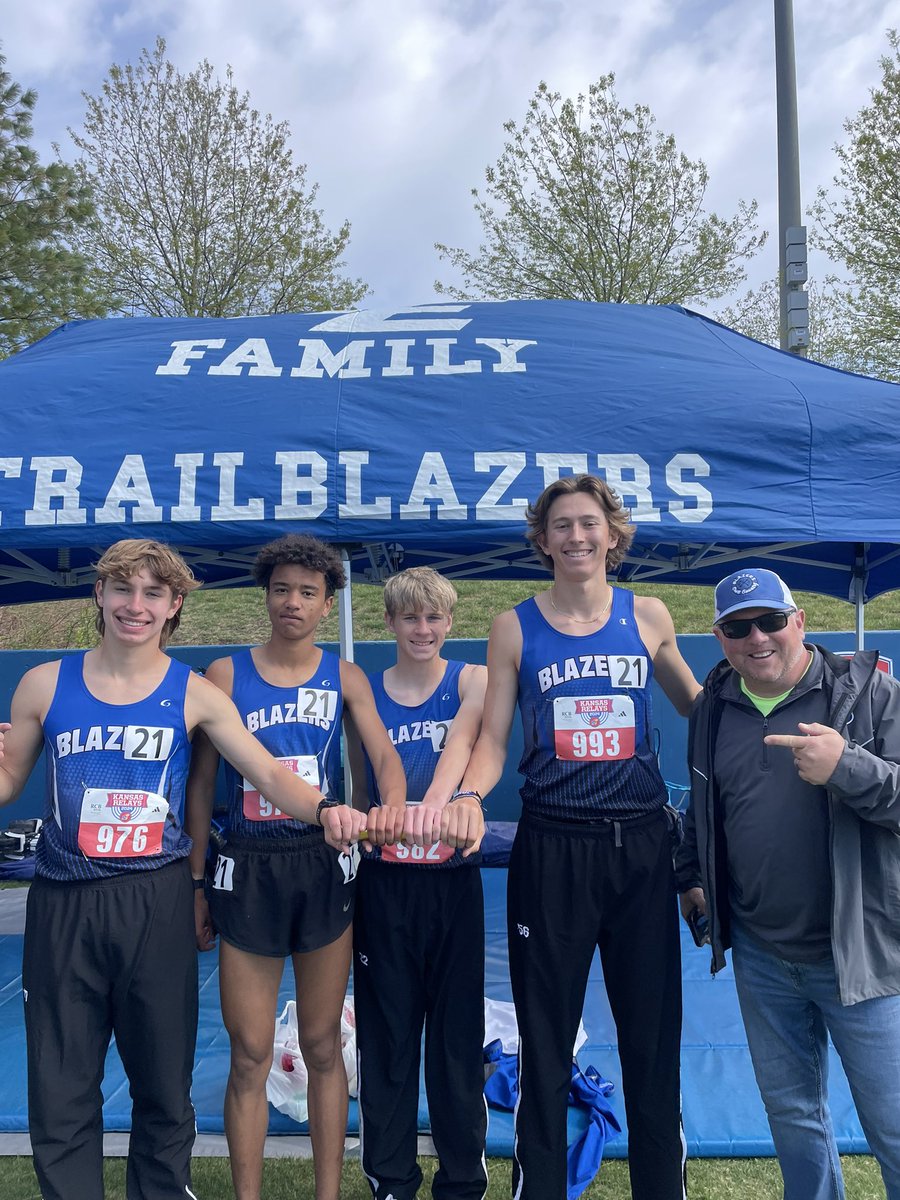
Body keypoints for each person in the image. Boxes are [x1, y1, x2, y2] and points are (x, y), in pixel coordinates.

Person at [0, 538, 366, 1200]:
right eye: (122, 589)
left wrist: (326, 809)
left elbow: (266, 772)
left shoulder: (193, 694)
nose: (134, 606)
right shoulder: (43, 684)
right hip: (66, 901)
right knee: (62, 1081)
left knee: (163, 1083)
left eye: (152, 594)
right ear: (99, 595)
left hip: (155, 899)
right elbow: (6, 780)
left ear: (173, 607)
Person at [456, 474, 700, 1200]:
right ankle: (541, 1189)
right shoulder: (513, 626)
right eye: (561, 525)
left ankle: (663, 1188)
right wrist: (469, 792)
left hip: (641, 848)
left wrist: (769, 693)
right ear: (542, 540)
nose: (576, 537)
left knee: (651, 1038)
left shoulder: (648, 614)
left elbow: (698, 707)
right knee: (546, 1036)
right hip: (553, 846)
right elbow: (494, 738)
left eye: (588, 523)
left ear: (613, 535)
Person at [185, 533, 405, 1200]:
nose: (292, 602)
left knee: (322, 1045)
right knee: (250, 1052)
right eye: (281, 589)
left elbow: (382, 759)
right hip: (246, 864)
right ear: (267, 596)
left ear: (327, 602)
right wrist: (197, 881)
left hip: (320, 863)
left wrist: (386, 810)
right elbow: (199, 788)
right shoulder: (225, 674)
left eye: (308, 593)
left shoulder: (345, 677)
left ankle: (328, 1194)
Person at [676, 567, 900, 1200]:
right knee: (796, 1121)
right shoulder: (714, 706)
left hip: (861, 956)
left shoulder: (872, 696)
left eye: (770, 621)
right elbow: (704, 805)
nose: (758, 638)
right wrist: (690, 875)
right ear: (719, 636)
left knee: (894, 1129)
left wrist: (846, 767)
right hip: (762, 957)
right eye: (738, 627)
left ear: (799, 621)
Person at [349, 566, 488, 1200]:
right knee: (388, 1038)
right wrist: (367, 819)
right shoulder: (365, 695)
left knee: (457, 1039)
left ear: (450, 622)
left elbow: (466, 745)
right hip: (385, 886)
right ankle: (391, 1180)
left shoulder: (472, 680)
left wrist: (440, 804)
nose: (422, 628)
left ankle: (462, 1179)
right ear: (389, 623)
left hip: (452, 883)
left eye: (434, 617)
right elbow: (361, 782)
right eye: (410, 617)